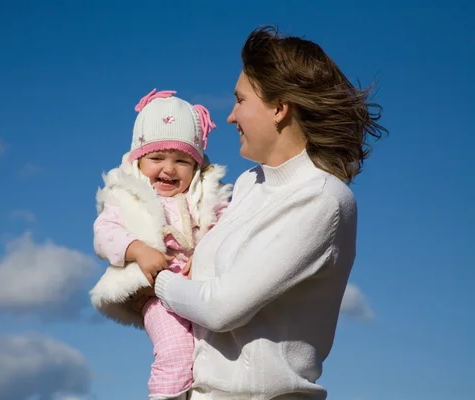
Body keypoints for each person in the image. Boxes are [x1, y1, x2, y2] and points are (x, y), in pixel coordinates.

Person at [148, 26, 388, 399]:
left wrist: (156, 279)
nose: (230, 116)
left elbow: (222, 307)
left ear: (279, 108)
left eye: (240, 100)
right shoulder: (247, 184)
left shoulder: (323, 200)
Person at [89, 89, 232, 400]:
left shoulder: (205, 198)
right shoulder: (128, 197)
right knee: (176, 352)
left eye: (181, 160)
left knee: (210, 359)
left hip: (200, 292)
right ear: (138, 160)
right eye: (157, 158)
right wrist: (138, 250)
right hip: (154, 292)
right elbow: (104, 233)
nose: (168, 169)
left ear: (196, 167)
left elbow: (229, 227)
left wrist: (209, 248)